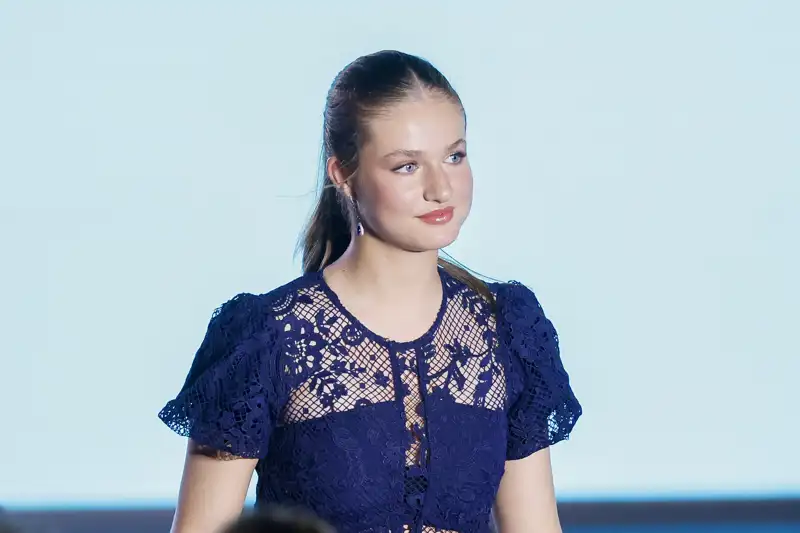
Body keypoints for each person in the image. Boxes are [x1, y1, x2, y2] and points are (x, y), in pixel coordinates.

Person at [159, 50, 582, 533]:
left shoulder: (506, 326)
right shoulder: (266, 337)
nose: (441, 188)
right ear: (342, 173)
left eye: (455, 156)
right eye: (406, 166)